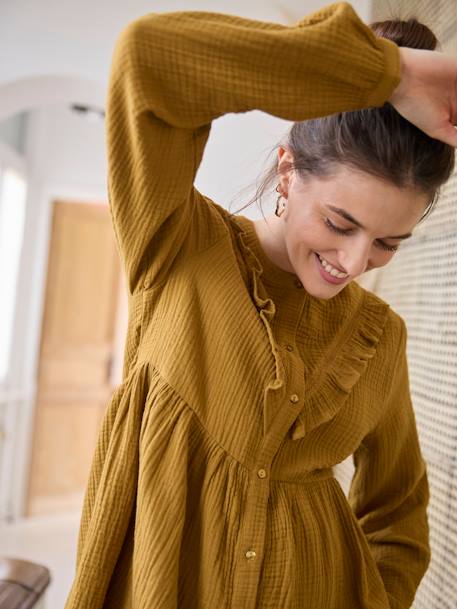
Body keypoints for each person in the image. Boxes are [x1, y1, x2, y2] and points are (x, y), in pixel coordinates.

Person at [65, 2, 457, 608]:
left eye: (386, 243)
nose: (353, 264)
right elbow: (151, 58)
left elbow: (397, 512)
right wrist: (393, 75)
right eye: (339, 222)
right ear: (288, 170)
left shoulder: (381, 337)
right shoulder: (176, 243)